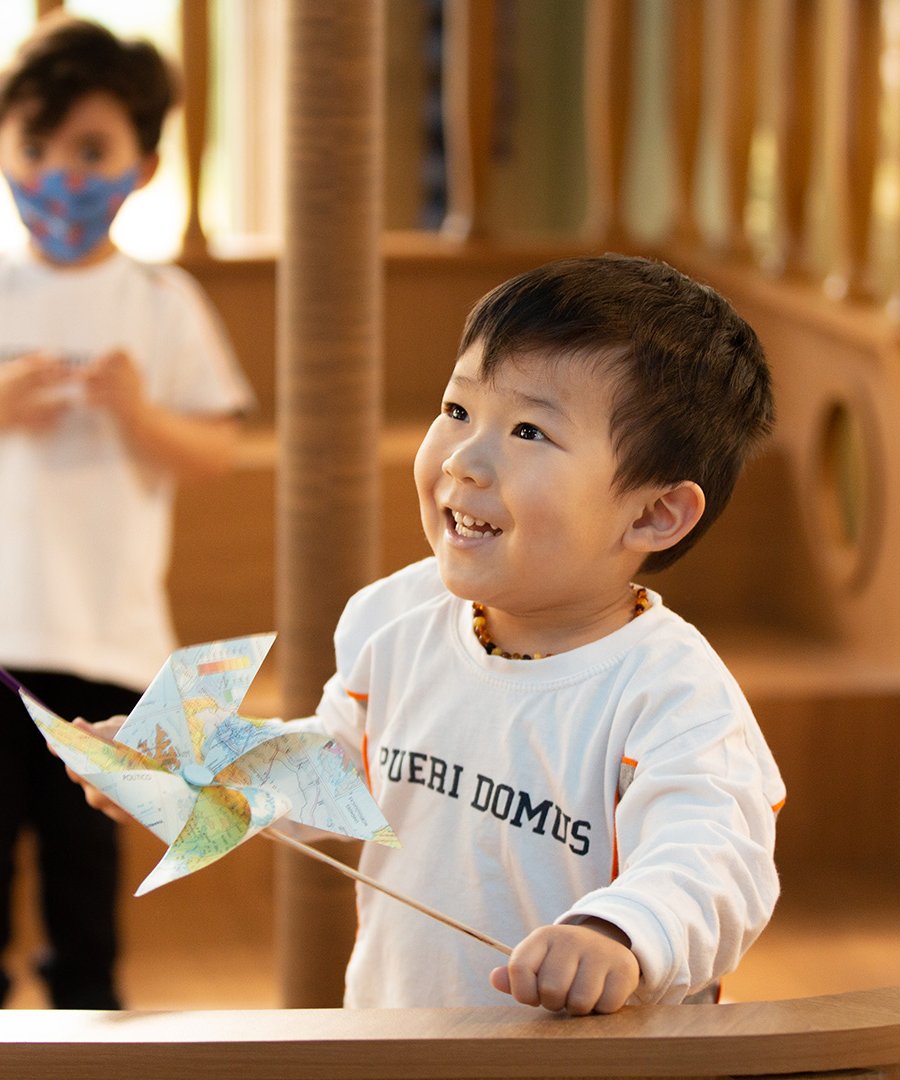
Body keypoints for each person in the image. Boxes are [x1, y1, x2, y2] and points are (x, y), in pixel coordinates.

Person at [77, 254, 783, 1015]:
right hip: (398, 1035)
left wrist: (617, 932)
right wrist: (196, 768)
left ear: (653, 514)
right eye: (457, 409)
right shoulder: (398, 616)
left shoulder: (674, 696)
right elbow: (338, 767)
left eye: (529, 430)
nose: (464, 459)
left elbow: (712, 863)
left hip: (582, 1060)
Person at [0, 15, 253, 1009]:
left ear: (143, 167)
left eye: (92, 150)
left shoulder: (162, 301)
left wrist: (138, 414)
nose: (59, 175)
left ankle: (88, 1022)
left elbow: (216, 450)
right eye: (36, 145)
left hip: (107, 643)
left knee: (83, 867)